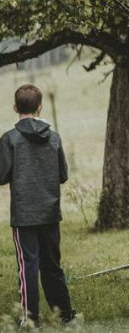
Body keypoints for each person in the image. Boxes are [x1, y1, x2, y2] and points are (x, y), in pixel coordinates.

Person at [0, 85, 77, 327]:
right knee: (52, 266)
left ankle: (30, 319)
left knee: (28, 268)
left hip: (24, 215)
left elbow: (2, 175)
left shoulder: (9, 139)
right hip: (50, 212)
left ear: (15, 108)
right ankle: (65, 314)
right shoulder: (54, 137)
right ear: (40, 107)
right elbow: (63, 175)